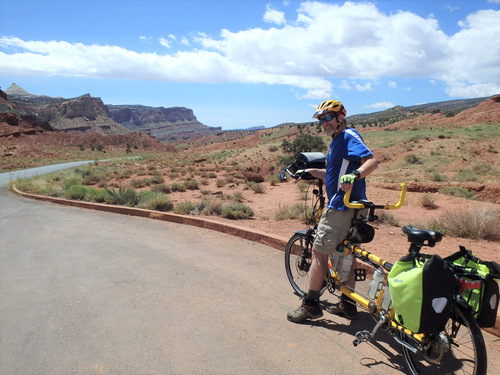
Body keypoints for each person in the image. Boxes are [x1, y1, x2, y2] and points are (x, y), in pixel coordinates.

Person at [287, 99, 378, 323]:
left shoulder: (348, 135)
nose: (323, 123)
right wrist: (309, 171)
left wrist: (355, 175)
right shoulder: (337, 141)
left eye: (328, 117)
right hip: (352, 208)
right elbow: (333, 172)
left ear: (340, 117)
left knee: (319, 253)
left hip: (341, 207)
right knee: (348, 255)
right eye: (321, 119)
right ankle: (347, 304)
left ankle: (311, 305)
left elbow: (371, 161)